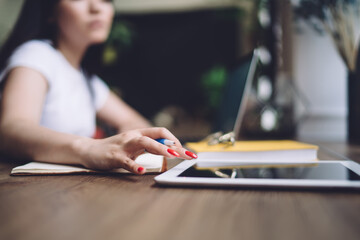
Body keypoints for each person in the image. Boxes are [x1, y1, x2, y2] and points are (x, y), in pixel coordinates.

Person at [0, 0, 197, 175]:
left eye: (105, 0)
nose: (96, 7)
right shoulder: (36, 54)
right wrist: (89, 148)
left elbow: (133, 120)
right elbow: (12, 129)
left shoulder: (85, 78)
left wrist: (132, 138)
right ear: (50, 11)